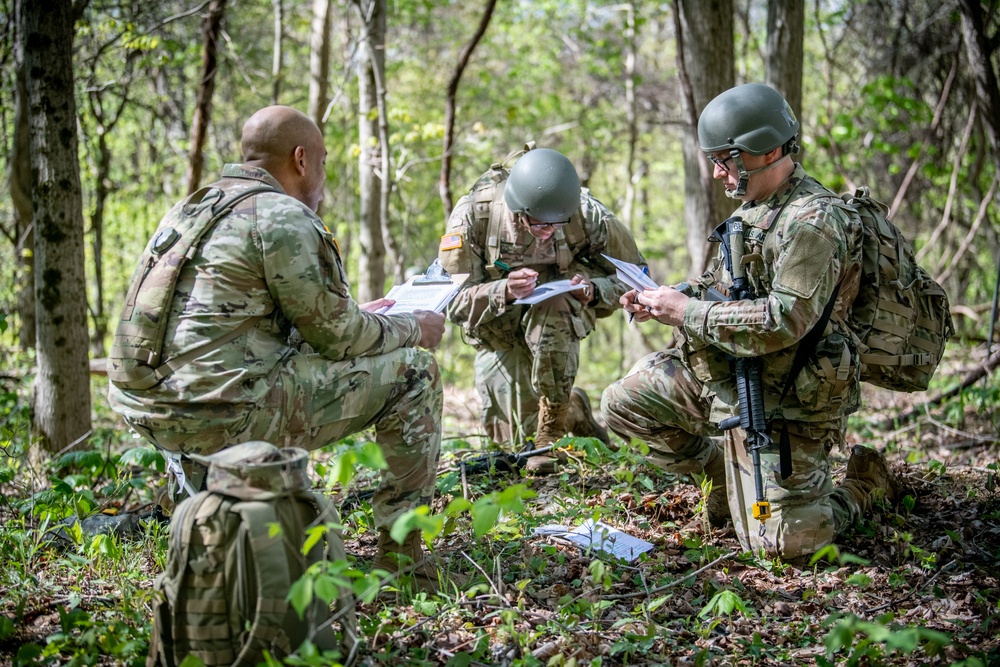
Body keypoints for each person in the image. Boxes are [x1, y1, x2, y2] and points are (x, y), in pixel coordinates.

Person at [108, 105, 451, 590]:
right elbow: (339, 339)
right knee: (415, 370)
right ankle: (404, 557)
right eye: (324, 161)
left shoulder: (194, 207)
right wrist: (412, 327)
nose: (323, 175)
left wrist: (365, 317)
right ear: (301, 160)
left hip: (149, 407)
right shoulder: (284, 215)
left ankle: (202, 524)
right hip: (224, 412)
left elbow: (245, 323)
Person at [601, 83, 899, 561]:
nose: (718, 172)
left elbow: (785, 318)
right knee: (624, 402)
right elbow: (721, 289)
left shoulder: (812, 221)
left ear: (768, 150)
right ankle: (727, 482)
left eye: (727, 159)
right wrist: (671, 297)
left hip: (790, 397)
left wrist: (688, 312)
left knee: (786, 546)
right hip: (733, 378)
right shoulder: (752, 213)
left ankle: (865, 485)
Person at [438, 145, 647, 473]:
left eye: (556, 223)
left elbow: (638, 279)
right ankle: (572, 409)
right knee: (514, 444)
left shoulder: (586, 214)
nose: (548, 231)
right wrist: (502, 290)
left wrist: (592, 290)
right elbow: (451, 302)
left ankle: (551, 429)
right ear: (518, 209)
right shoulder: (473, 217)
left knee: (555, 304)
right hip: (499, 331)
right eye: (538, 224)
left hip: (559, 317)